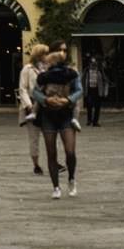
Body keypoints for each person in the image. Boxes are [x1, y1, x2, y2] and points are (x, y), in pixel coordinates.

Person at [34, 50, 82, 199]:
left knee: (69, 151)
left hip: (65, 114)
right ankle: (56, 186)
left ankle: (71, 179)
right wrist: (46, 100)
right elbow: (35, 92)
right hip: (49, 115)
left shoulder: (71, 74)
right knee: (52, 152)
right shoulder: (43, 77)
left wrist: (68, 100)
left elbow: (79, 90)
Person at [17, 44, 50, 176]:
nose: (47, 56)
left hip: (46, 105)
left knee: (50, 134)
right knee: (34, 137)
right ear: (38, 54)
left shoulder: (48, 69)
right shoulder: (27, 69)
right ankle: (36, 164)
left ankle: (53, 161)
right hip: (31, 105)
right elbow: (22, 89)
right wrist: (29, 105)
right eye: (45, 53)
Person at [83, 57, 105, 127]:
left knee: (97, 107)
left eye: (94, 63)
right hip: (89, 90)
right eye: (92, 63)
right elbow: (82, 79)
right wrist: (83, 89)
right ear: (89, 64)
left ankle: (95, 121)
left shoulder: (100, 70)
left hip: (97, 90)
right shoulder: (86, 70)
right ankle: (89, 120)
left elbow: (103, 79)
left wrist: (103, 91)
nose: (93, 64)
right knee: (89, 106)